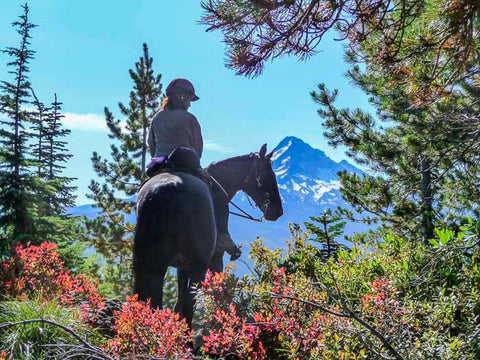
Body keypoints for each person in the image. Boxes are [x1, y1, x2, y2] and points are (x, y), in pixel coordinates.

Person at [147, 78, 241, 261]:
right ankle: (222, 237)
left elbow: (151, 144)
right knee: (219, 195)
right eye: (188, 99)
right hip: (185, 163)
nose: (190, 104)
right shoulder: (190, 118)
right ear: (181, 97)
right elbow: (197, 148)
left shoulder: (156, 117)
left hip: (159, 166)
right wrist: (196, 166)